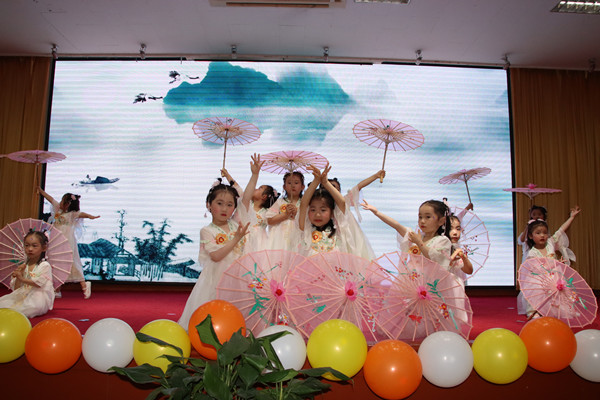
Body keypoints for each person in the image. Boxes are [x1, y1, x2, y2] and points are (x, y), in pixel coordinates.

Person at [178, 181, 250, 331]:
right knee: (212, 313)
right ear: (208, 205)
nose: (224, 209)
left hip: (237, 277)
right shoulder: (207, 231)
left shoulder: (236, 225)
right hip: (215, 278)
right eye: (219, 203)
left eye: (229, 205)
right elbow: (216, 256)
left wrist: (254, 175)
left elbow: (246, 198)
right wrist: (236, 239)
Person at [517, 206, 581, 318]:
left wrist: (572, 217)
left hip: (554, 276)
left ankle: (561, 310)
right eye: (538, 233)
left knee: (560, 293)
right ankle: (534, 312)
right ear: (531, 236)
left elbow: (561, 230)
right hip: (539, 279)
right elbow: (535, 270)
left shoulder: (551, 242)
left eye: (545, 233)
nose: (542, 235)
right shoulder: (532, 253)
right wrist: (553, 264)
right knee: (537, 293)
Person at [38, 187, 99, 299]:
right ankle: (57, 289)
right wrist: (41, 192)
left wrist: (91, 216)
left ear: (68, 204)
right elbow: (50, 199)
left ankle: (84, 285)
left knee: (72, 262)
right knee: (56, 263)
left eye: (62, 201)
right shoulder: (58, 210)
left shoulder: (72, 214)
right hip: (56, 241)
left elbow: (82, 214)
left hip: (67, 241)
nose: (60, 202)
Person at [362, 199, 452, 268]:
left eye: (428, 217)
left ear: (441, 221)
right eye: (420, 217)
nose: (422, 221)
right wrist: (377, 213)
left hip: (429, 282)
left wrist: (419, 243)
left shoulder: (443, 241)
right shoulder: (414, 236)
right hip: (412, 280)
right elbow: (396, 225)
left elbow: (435, 259)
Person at [223, 154, 278, 253]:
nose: (255, 189)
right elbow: (236, 187)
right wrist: (227, 174)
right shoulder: (247, 203)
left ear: (264, 197)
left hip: (257, 245)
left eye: (260, 188)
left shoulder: (267, 212)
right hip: (239, 238)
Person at [297, 164, 352, 256]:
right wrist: (316, 181)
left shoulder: (338, 230)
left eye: (323, 210)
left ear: (332, 212)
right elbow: (303, 204)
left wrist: (325, 182)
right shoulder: (306, 229)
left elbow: (342, 202)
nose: (317, 215)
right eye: (313, 210)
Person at [0, 230, 55, 317]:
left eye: (34, 246)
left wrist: (22, 278)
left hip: (37, 296)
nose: (30, 249)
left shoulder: (44, 265)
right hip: (23, 294)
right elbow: (16, 289)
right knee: (3, 303)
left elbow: (38, 283)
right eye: (27, 245)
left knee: (31, 307)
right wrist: (19, 276)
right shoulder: (24, 265)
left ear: (44, 248)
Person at [266, 170, 305, 251]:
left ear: (302, 187)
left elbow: (308, 222)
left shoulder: (304, 203)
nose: (293, 186)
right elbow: (269, 220)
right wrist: (285, 215)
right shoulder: (280, 202)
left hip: (298, 237)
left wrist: (297, 214)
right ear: (284, 187)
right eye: (289, 183)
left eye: (296, 183)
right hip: (281, 239)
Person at [448, 213, 474, 285]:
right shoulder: (438, 247)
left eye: (458, 229)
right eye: (450, 229)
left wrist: (464, 257)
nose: (455, 232)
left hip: (457, 285)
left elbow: (469, 271)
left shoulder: (458, 249)